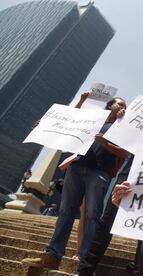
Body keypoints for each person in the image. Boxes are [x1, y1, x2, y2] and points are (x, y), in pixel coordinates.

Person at [76, 85, 143, 276]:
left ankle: (140, 268)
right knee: (107, 222)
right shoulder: (138, 117)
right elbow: (123, 142)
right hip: (130, 175)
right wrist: (123, 118)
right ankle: (85, 269)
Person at [22, 94, 128, 270]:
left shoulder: (122, 129)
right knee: (65, 211)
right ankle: (52, 255)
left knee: (92, 214)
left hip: (101, 172)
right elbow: (67, 122)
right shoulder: (92, 120)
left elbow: (124, 154)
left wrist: (104, 142)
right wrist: (45, 126)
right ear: (110, 105)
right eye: (121, 104)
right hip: (77, 168)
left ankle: (86, 261)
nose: (124, 107)